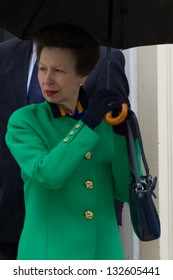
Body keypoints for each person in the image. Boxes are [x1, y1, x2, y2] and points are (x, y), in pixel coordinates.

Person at [5, 23, 131, 260]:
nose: (47, 80)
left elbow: (124, 191)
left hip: (103, 255)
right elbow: (47, 174)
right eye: (42, 69)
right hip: (49, 257)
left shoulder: (106, 122)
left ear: (83, 75)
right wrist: (88, 124)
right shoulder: (24, 121)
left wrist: (123, 135)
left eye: (58, 71)